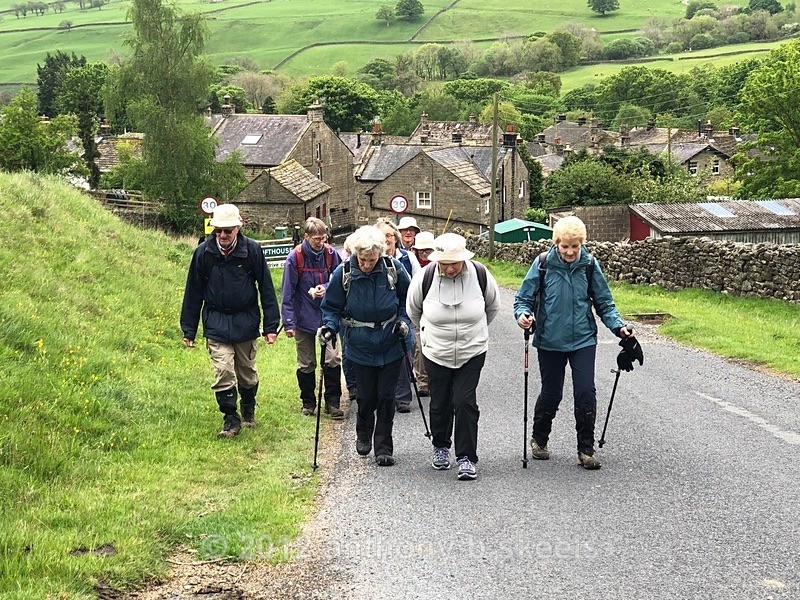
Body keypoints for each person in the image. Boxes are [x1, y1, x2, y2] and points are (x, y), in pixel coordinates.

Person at [513, 216, 635, 470]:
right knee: (551, 393)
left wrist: (619, 327)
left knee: (585, 391)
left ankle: (586, 450)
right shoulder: (543, 264)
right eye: (565, 246)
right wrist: (523, 316)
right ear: (556, 243)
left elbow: (604, 303)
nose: (570, 252)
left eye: (575, 246)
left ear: (582, 244)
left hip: (582, 339)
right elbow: (523, 298)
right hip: (549, 340)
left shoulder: (589, 265)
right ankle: (539, 439)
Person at [181, 204, 280, 438]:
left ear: (238, 227)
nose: (223, 236)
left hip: (245, 320)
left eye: (228, 231)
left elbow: (266, 288)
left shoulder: (252, 251)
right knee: (223, 370)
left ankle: (247, 407)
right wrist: (189, 329)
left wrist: (271, 326)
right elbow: (193, 292)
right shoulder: (203, 253)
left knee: (246, 372)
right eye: (219, 231)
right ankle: (230, 418)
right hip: (216, 320)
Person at [407, 233, 500, 480]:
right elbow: (414, 311)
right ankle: (440, 446)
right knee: (440, 402)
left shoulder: (480, 274)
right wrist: (430, 335)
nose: (450, 268)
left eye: (455, 263)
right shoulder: (424, 277)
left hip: (473, 350)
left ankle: (467, 457)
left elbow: (492, 307)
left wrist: (474, 332)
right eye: (445, 263)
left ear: (464, 259)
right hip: (436, 351)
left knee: (465, 401)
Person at [320, 226, 414, 467]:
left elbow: (408, 300)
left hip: (391, 342)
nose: (367, 264)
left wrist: (403, 322)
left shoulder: (394, 269)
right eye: (362, 259)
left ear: (380, 255)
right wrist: (329, 327)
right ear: (355, 254)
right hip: (360, 346)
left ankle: (384, 447)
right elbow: (331, 307)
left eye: (372, 259)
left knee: (386, 397)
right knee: (366, 397)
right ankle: (363, 433)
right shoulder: (344, 273)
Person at [281, 217, 344, 419]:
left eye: (324, 238)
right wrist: (289, 322)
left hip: (328, 316)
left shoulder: (331, 254)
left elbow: (340, 277)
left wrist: (325, 288)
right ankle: (308, 402)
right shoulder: (295, 258)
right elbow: (287, 292)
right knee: (306, 362)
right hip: (302, 317)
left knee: (333, 358)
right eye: (316, 239)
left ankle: (332, 403)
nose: (321, 242)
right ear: (306, 237)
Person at [375, 218, 419, 413]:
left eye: (389, 235)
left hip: (402, 312)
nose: (386, 240)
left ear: (395, 238)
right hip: (378, 317)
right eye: (381, 236)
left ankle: (402, 398)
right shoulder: (371, 260)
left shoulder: (407, 259)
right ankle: (383, 394)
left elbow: (417, 283)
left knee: (403, 352)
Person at [410, 231, 436, 395]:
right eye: (422, 250)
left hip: (436, 312)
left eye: (428, 250)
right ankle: (422, 382)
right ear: (416, 251)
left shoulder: (439, 264)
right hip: (418, 311)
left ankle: (436, 380)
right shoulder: (413, 265)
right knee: (419, 347)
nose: (425, 253)